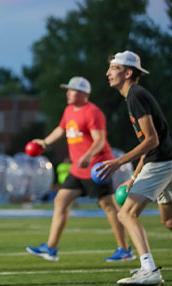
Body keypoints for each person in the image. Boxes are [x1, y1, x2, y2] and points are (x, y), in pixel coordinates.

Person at [25, 76, 134, 262]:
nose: (68, 93)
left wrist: (88, 156)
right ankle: (51, 248)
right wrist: (44, 143)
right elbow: (61, 130)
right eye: (68, 89)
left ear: (84, 93)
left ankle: (124, 249)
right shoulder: (69, 110)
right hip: (78, 169)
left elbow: (99, 140)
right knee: (60, 200)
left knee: (108, 206)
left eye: (72, 90)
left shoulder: (93, 112)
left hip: (96, 168)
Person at [101, 50, 172, 285]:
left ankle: (149, 270)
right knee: (169, 221)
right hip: (163, 159)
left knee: (126, 213)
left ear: (128, 72)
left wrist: (118, 162)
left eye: (113, 68)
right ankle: (148, 269)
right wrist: (134, 177)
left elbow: (152, 141)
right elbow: (149, 142)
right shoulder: (134, 95)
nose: (108, 73)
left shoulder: (135, 95)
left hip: (162, 161)